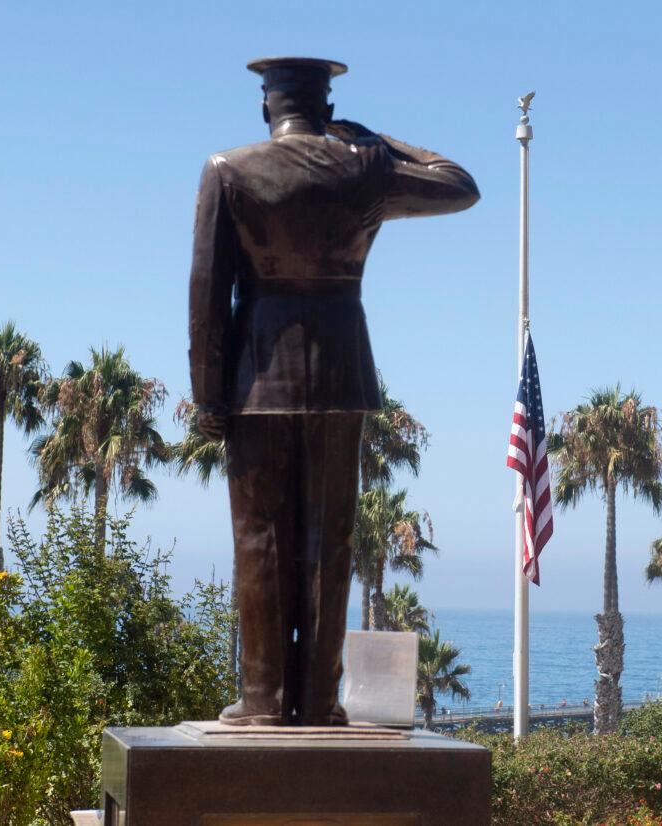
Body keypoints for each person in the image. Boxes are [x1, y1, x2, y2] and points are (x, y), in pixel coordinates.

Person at [189, 56, 479, 726]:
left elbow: (206, 294)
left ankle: (263, 700)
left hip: (257, 376)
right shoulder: (363, 169)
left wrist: (208, 395)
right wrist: (373, 140)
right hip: (343, 370)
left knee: (260, 538)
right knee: (330, 541)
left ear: (266, 106)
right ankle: (319, 700)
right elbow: (459, 184)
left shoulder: (228, 170)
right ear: (327, 108)